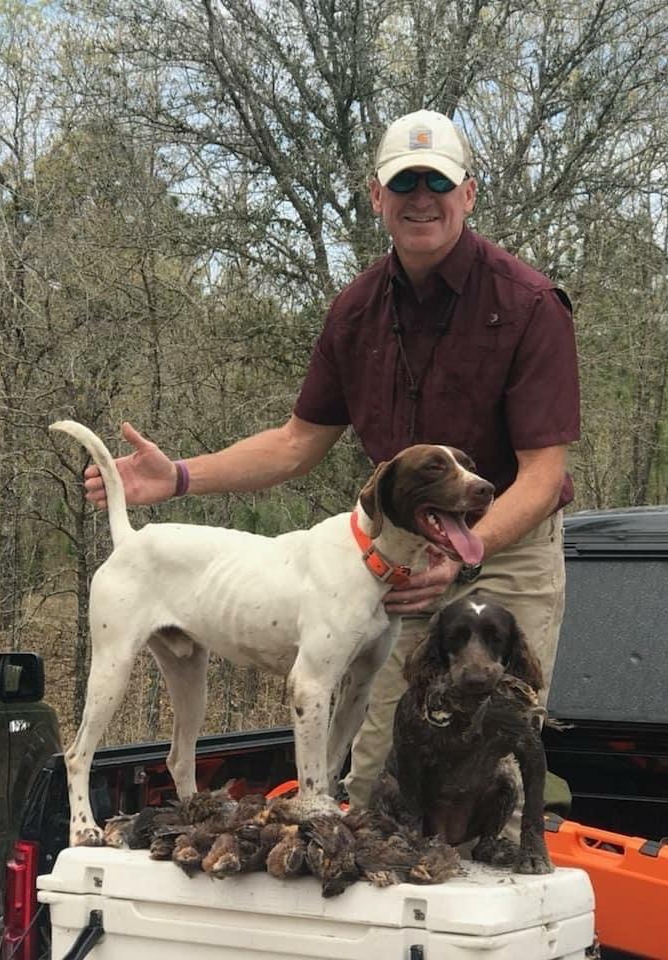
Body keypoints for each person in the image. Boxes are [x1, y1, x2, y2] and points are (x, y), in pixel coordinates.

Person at [83, 109, 580, 811]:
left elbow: (542, 477)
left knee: (490, 769)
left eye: (438, 182)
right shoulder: (355, 311)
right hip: (394, 557)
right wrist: (181, 477)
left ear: (468, 193)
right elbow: (295, 443)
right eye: (403, 183)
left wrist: (462, 556)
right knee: (378, 779)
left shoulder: (528, 303)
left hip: (504, 548)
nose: (421, 198)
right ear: (376, 196)